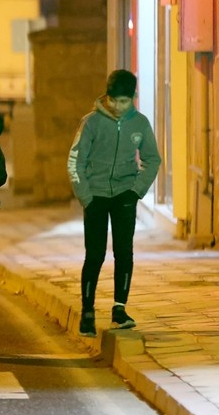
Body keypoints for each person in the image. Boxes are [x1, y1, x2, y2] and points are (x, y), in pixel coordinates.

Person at [67, 69, 161, 336]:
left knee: (124, 252)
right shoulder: (91, 123)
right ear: (106, 97)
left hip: (124, 195)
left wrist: (136, 191)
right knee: (94, 254)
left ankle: (119, 309)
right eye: (114, 101)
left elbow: (152, 159)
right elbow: (75, 161)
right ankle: (87, 310)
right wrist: (85, 196)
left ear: (133, 98)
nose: (118, 107)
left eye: (124, 101)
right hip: (95, 196)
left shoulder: (140, 123)